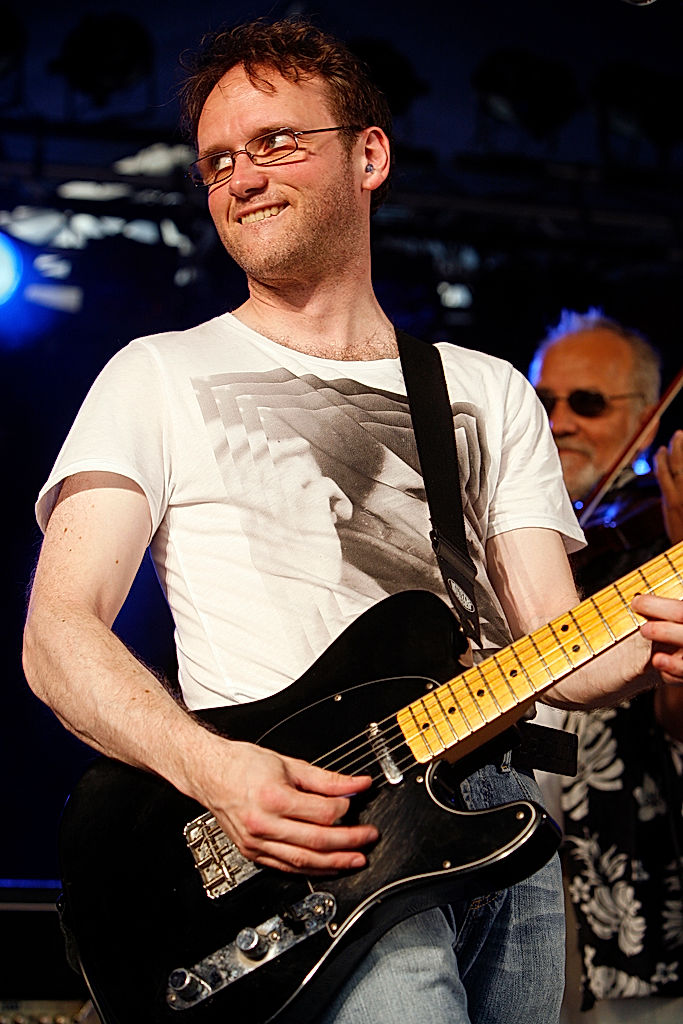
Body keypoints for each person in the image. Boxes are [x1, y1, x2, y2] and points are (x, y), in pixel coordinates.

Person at [21, 20, 683, 1024]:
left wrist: (651, 640)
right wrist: (215, 768)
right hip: (315, 841)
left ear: (367, 153)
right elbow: (57, 633)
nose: (240, 176)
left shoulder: (485, 388)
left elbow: (558, 646)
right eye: (217, 161)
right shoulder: (155, 373)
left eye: (276, 140)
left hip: (504, 825)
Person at [529, 309, 683, 1008]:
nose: (557, 421)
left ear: (648, 423)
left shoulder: (653, 533)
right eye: (543, 402)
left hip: (637, 896)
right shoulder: (519, 543)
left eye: (586, 403)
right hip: (518, 883)